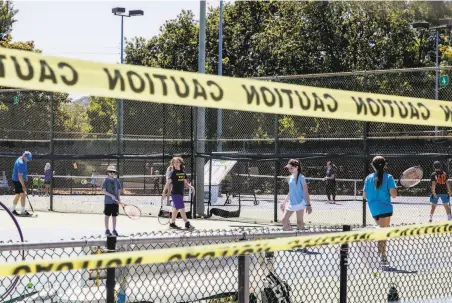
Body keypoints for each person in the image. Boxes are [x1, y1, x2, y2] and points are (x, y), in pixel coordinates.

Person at [363, 156, 397, 267]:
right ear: (384, 165)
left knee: (382, 231)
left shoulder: (368, 178)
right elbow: (394, 195)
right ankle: (382, 257)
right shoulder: (389, 177)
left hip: (374, 210)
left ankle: (381, 255)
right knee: (383, 233)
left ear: (373, 165)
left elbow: (364, 196)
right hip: (385, 209)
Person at [162, 156, 195, 229]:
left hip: (180, 193)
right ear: (172, 164)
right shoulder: (172, 173)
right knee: (182, 207)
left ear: (180, 163)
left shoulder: (183, 173)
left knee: (176, 209)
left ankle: (172, 223)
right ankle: (186, 222)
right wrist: (164, 192)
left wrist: (191, 187)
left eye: (177, 162)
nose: (175, 163)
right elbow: (168, 183)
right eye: (174, 162)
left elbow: (185, 184)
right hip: (175, 193)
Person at [281, 159, 312, 231]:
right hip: (291, 203)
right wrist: (284, 202)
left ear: (297, 167)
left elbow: (306, 192)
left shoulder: (302, 178)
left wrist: (308, 205)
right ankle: (290, 234)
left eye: (291, 168)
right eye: (289, 168)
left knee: (299, 223)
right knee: (283, 220)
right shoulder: (290, 178)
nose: (289, 169)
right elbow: (290, 191)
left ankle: (302, 239)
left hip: (300, 203)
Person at [102, 165, 122, 236]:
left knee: (114, 216)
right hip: (108, 202)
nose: (112, 173)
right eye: (110, 172)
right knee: (107, 215)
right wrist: (111, 196)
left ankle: (114, 230)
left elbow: (119, 190)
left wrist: (118, 198)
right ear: (108, 172)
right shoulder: (106, 181)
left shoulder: (117, 181)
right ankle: (107, 230)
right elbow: (104, 191)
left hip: (115, 202)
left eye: (113, 172)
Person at [11, 151, 32, 216]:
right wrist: (23, 186)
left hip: (16, 179)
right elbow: (20, 176)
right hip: (18, 180)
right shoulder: (21, 163)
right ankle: (23, 211)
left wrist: (25, 177)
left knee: (18, 194)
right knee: (23, 194)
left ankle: (13, 210)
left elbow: (22, 173)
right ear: (24, 156)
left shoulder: (21, 158)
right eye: (27, 158)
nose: (28, 160)